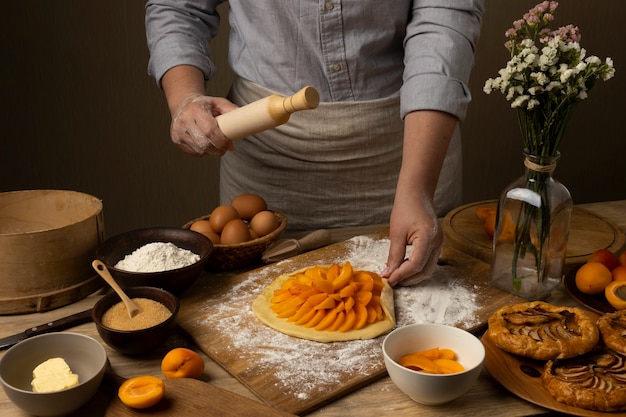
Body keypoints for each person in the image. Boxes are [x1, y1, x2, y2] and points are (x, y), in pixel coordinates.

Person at [145, 0, 484, 287]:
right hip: (267, 160)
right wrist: (185, 98)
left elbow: (445, 15)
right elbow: (178, 7)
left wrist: (416, 190)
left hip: (407, 154)